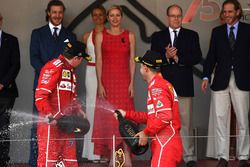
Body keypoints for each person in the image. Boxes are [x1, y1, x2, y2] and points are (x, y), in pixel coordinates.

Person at [150, 4, 202, 167]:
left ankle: (189, 157)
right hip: (164, 87)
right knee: (163, 122)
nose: (176, 18)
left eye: (179, 16)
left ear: (182, 17)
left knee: (186, 123)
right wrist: (165, 56)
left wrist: (179, 58)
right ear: (168, 17)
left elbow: (197, 57)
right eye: (173, 16)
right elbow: (152, 60)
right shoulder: (158, 36)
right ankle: (163, 155)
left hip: (184, 84)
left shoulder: (191, 35)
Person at [201, 0, 250, 167]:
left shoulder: (248, 30)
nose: (227, 15)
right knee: (220, 118)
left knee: (243, 120)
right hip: (220, 80)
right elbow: (211, 57)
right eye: (225, 12)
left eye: (230, 12)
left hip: (243, 79)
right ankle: (223, 156)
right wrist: (206, 76)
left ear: (237, 12)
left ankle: (243, 156)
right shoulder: (217, 31)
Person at [115, 50, 183, 167]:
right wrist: (127, 114)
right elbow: (153, 117)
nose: (140, 69)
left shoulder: (157, 87)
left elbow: (165, 116)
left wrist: (146, 132)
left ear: (145, 68)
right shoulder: (160, 84)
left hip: (165, 143)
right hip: (167, 142)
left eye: (141, 65)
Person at [29, 0, 76, 166]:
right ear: (48, 13)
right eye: (54, 12)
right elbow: (33, 58)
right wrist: (49, 74)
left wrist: (58, 77)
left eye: (60, 12)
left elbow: (71, 63)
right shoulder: (37, 33)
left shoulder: (70, 36)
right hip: (43, 89)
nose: (57, 15)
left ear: (63, 13)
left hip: (63, 93)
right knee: (39, 127)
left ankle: (59, 163)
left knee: (62, 130)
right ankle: (35, 162)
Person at [35, 40, 91, 167]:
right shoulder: (54, 66)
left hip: (67, 124)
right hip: (50, 124)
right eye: (82, 59)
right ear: (77, 58)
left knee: (69, 161)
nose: (81, 62)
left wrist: (79, 110)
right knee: (48, 160)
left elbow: (72, 98)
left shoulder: (70, 70)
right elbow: (40, 95)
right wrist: (49, 114)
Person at [92, 5, 136, 167]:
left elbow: (132, 60)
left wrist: (132, 82)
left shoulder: (130, 35)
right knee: (110, 120)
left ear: (121, 17)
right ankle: (113, 158)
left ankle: (127, 156)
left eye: (117, 15)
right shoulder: (100, 35)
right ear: (107, 18)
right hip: (108, 83)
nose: (115, 18)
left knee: (125, 119)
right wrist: (100, 84)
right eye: (111, 15)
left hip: (124, 82)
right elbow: (99, 60)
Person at [81, 5, 106, 161]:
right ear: (92, 17)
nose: (97, 17)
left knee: (104, 111)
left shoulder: (110, 34)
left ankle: (104, 151)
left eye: (100, 15)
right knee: (91, 110)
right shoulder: (86, 36)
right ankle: (90, 153)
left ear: (105, 16)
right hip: (91, 74)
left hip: (106, 74)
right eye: (95, 15)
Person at [0, 12, 20, 167]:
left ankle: (3, 161)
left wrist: (2, 83)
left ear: (1, 21)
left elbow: (15, 65)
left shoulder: (12, 40)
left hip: (6, 92)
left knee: (3, 126)